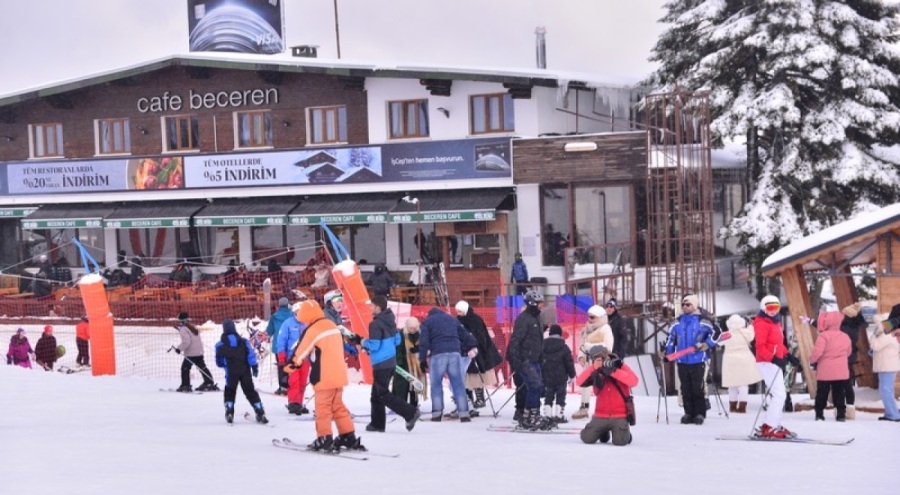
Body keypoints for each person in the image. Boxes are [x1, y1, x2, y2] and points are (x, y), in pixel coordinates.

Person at [288, 299, 365, 452]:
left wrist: (288, 368)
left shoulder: (313, 330)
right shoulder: (332, 325)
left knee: (322, 409)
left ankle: (324, 438)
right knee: (338, 406)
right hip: (339, 375)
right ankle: (348, 436)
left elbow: (301, 352)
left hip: (323, 376)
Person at [354, 295, 421, 432]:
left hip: (381, 363)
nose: (370, 308)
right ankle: (377, 424)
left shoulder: (375, 324)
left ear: (378, 308)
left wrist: (362, 342)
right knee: (376, 395)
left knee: (383, 394)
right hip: (390, 361)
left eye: (371, 306)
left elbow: (374, 345)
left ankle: (410, 413)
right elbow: (397, 340)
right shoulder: (390, 320)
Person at [664, 294, 717, 425]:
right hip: (682, 360)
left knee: (697, 387)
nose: (685, 307)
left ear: (694, 306)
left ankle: (700, 413)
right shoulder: (677, 322)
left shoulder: (703, 321)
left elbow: (717, 333)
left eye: (688, 305)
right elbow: (671, 338)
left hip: (698, 359)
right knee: (685, 387)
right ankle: (688, 412)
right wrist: (667, 353)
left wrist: (707, 344)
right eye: (683, 305)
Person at [419, 306, 477, 422]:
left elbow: (424, 342)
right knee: (458, 384)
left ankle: (437, 414)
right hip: (455, 353)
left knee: (436, 385)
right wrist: (472, 344)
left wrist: (422, 359)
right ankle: (464, 414)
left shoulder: (427, 322)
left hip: (438, 355)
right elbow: (464, 334)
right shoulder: (452, 319)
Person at [752, 295, 798, 438]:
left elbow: (778, 344)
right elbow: (760, 347)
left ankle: (773, 424)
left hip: (774, 361)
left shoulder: (775, 323)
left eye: (776, 308)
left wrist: (788, 355)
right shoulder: (761, 323)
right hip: (766, 362)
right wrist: (774, 359)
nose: (773, 311)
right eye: (769, 308)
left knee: (779, 394)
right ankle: (770, 426)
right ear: (763, 308)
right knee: (779, 394)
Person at [576, 345, 638, 446]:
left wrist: (614, 372)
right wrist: (593, 368)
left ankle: (625, 433)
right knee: (586, 438)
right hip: (601, 415)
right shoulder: (595, 371)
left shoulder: (619, 366)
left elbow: (634, 381)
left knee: (620, 442)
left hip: (619, 415)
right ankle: (603, 432)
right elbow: (579, 382)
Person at [507, 289, 551, 430]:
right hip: (525, 359)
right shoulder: (523, 319)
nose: (541, 306)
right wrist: (516, 360)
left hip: (536, 359)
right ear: (532, 303)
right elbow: (515, 340)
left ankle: (531, 414)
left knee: (538, 388)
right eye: (539, 303)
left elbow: (536, 339)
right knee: (534, 386)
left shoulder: (537, 318)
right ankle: (529, 416)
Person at [214, 318, 267, 424]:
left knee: (230, 391)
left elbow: (219, 362)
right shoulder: (244, 341)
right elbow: (251, 355)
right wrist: (254, 367)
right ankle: (260, 411)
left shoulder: (220, 345)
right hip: (245, 371)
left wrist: (224, 365)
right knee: (250, 391)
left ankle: (229, 411)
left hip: (231, 372)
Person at [456, 300, 503, 410]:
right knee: (466, 376)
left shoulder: (475, 319)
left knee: (476, 374)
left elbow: (482, 335)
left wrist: (475, 346)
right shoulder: (458, 321)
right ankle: (468, 400)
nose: (459, 314)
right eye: (457, 311)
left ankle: (480, 398)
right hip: (463, 351)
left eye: (461, 311)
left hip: (478, 351)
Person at [572, 304, 615, 420]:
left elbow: (608, 346)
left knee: (601, 385)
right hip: (588, 362)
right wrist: (581, 355)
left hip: (600, 362)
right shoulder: (587, 328)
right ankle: (584, 407)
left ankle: (605, 409)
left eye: (592, 317)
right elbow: (582, 343)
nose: (589, 319)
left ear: (600, 317)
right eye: (588, 317)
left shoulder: (605, 328)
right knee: (585, 385)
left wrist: (590, 347)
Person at [809, 311, 851, 421]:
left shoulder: (823, 336)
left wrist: (812, 361)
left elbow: (817, 352)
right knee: (840, 392)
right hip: (841, 370)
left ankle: (819, 413)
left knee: (822, 392)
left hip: (825, 370)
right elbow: (848, 352)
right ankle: (841, 414)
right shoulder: (845, 336)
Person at [720, 314, 761, 413]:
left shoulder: (726, 335)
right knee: (743, 384)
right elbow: (752, 335)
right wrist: (751, 325)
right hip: (744, 359)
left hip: (730, 360)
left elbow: (717, 341)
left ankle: (732, 406)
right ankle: (742, 407)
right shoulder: (745, 333)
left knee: (732, 384)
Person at [275, 302, 310, 415]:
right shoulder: (288, 324)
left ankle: (299, 403)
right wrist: (282, 356)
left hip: (305, 358)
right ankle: (293, 403)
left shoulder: (308, 324)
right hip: (292, 358)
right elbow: (281, 340)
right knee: (294, 381)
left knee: (303, 381)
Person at [173, 312, 219, 392]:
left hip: (191, 354)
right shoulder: (193, 327)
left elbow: (186, 342)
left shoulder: (183, 329)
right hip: (199, 352)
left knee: (185, 368)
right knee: (202, 367)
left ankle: (185, 385)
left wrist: (179, 349)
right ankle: (209, 382)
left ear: (181, 321)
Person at [541, 324, 576, 422]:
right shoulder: (564, 347)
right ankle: (559, 415)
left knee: (549, 394)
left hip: (547, 375)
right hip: (561, 376)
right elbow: (569, 362)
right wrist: (572, 375)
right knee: (561, 395)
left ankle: (547, 415)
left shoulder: (543, 345)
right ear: (560, 334)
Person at [870, 312, 900, 421]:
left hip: (887, 366)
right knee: (887, 390)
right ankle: (891, 412)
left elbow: (874, 345)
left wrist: (874, 334)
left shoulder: (888, 335)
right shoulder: (891, 334)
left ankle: (893, 414)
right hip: (888, 366)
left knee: (886, 391)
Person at [839, 302, 866, 419]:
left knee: (842, 385)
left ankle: (844, 410)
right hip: (850, 357)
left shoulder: (846, 328)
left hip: (844, 357)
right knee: (848, 384)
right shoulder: (854, 326)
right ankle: (849, 410)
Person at [393, 316, 427, 407]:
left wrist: (419, 351)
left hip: (416, 364)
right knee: (401, 385)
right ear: (406, 327)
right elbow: (398, 348)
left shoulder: (421, 334)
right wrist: (399, 362)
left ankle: (414, 404)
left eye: (414, 328)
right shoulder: (401, 334)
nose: (412, 330)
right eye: (410, 328)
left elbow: (424, 346)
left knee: (415, 384)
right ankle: (401, 405)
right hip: (403, 363)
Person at [266, 297, 293, 395]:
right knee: (291, 366)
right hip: (291, 346)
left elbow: (270, 331)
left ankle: (282, 387)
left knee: (281, 366)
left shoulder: (274, 317)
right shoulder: (292, 315)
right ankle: (291, 386)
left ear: (279, 305)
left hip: (278, 346)